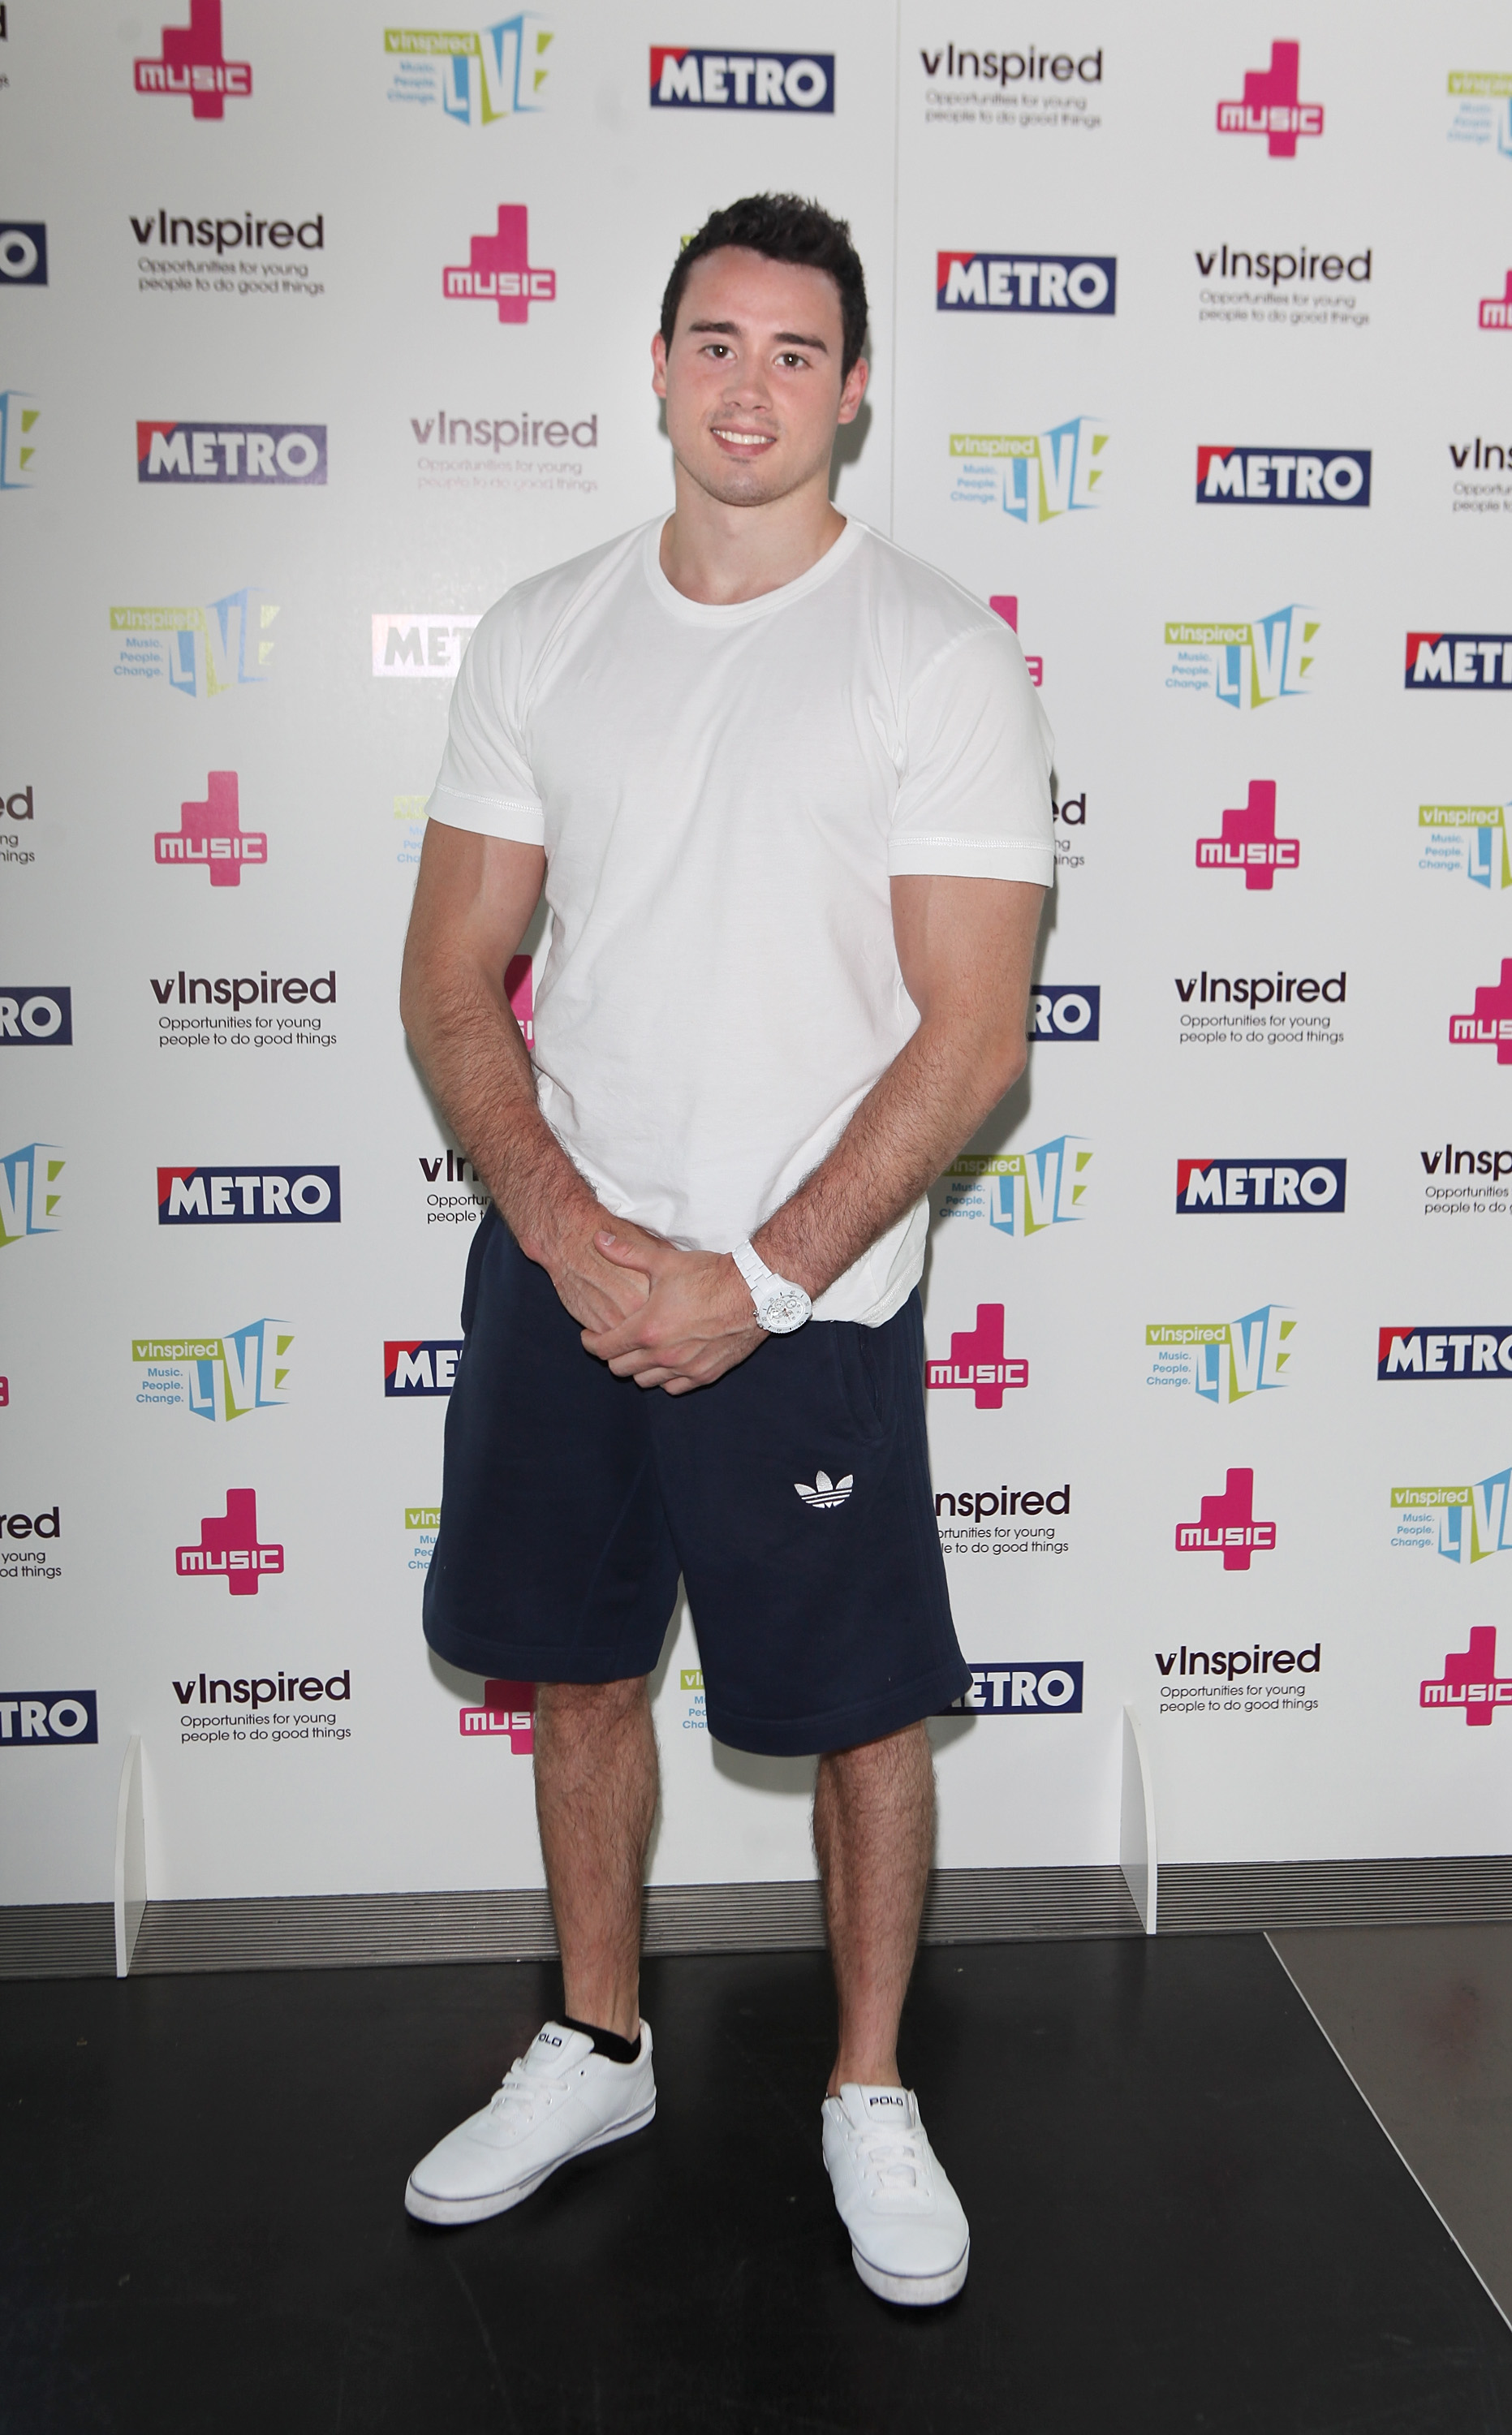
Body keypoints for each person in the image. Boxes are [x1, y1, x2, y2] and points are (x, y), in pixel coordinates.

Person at [398, 192, 1052, 2306]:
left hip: (813, 1298)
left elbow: (973, 1035)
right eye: (715, 342)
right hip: (569, 1272)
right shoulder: (543, 632)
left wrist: (755, 1280)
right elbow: (452, 974)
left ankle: (870, 2085)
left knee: (861, 1716)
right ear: (661, 365)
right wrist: (571, 1231)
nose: (748, 386)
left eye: (793, 352)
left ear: (854, 391)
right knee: (580, 1676)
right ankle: (597, 2045)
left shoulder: (933, 652)